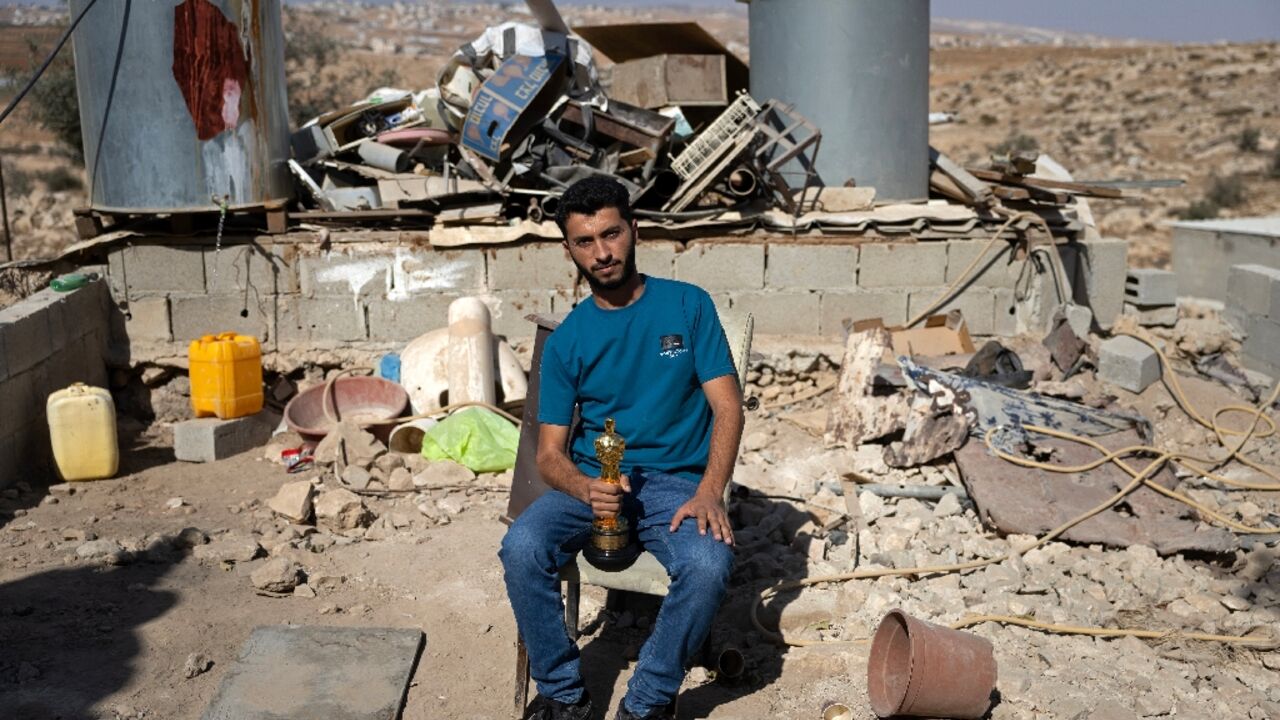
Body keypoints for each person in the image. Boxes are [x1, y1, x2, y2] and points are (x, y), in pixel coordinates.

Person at [499, 175, 744, 720]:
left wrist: (710, 491)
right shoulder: (568, 341)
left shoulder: (688, 306)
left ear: (634, 231)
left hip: (677, 484)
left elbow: (728, 408)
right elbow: (549, 454)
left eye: (611, 234)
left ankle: (648, 701)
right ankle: (565, 696)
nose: (602, 253)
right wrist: (588, 487)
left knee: (708, 565)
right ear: (569, 250)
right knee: (521, 549)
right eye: (585, 242)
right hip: (593, 483)